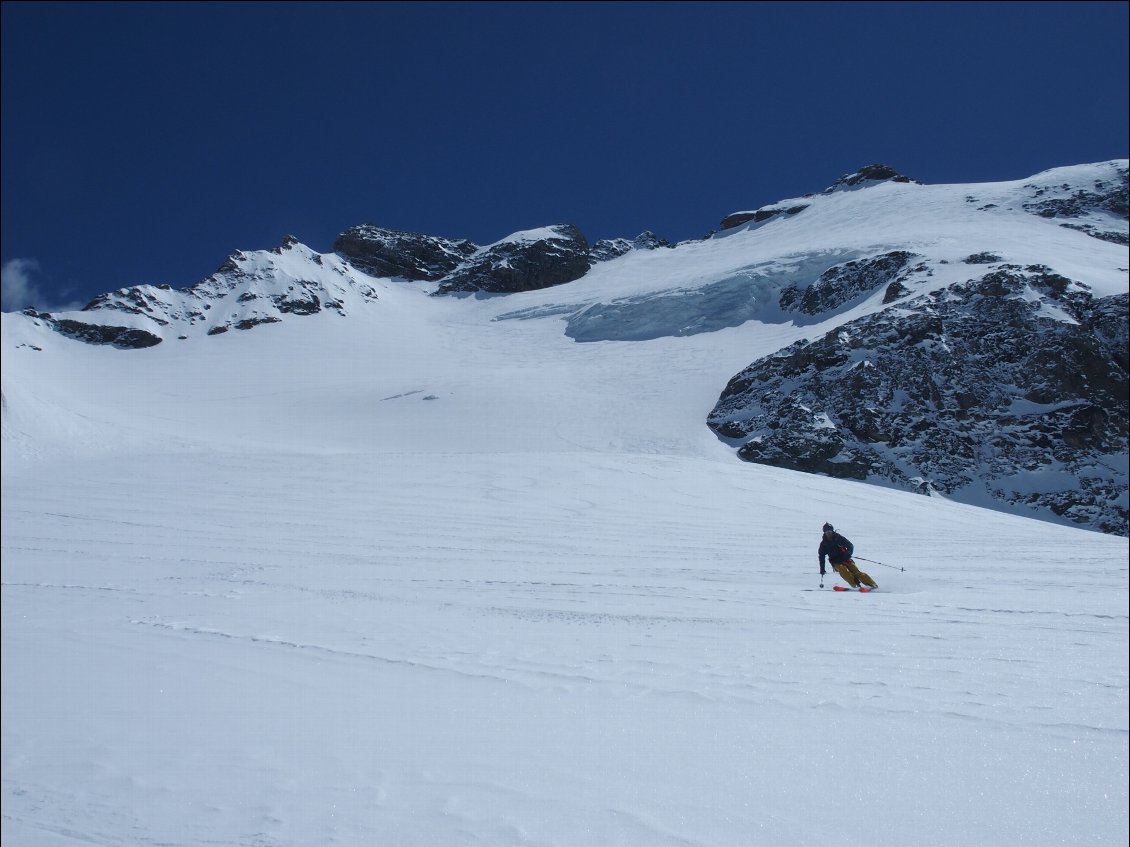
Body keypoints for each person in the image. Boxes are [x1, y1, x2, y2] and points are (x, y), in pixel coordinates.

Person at [818, 523, 878, 590]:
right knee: (843, 571)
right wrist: (822, 569)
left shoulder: (839, 538)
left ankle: (873, 585)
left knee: (856, 572)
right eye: (826, 532)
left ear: (832, 531)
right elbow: (821, 556)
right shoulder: (824, 544)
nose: (828, 533)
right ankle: (855, 585)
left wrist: (848, 553)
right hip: (836, 562)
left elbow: (850, 545)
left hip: (845, 558)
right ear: (824, 533)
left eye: (829, 531)